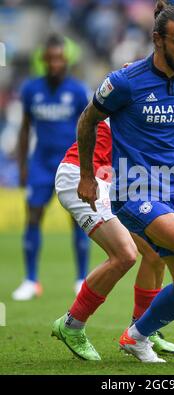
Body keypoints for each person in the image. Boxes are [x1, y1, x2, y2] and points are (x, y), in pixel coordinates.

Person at [74, 0, 174, 363]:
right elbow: (87, 121)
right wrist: (87, 176)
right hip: (133, 190)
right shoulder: (124, 82)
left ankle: (136, 336)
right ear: (157, 40)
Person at [50, 48, 174, 361]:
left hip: (117, 180)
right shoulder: (138, 87)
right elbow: (94, 114)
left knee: (156, 253)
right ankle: (72, 324)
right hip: (84, 174)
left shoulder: (172, 103)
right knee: (125, 254)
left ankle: (142, 331)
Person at [12, 35, 90, 301]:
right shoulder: (31, 90)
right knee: (33, 216)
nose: (55, 63)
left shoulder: (78, 91)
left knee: (78, 220)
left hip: (71, 164)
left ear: (66, 60)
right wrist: (22, 165)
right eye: (50, 58)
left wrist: (88, 168)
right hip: (41, 164)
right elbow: (24, 129)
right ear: (44, 60)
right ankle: (30, 280)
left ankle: (81, 279)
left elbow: (87, 130)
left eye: (59, 58)